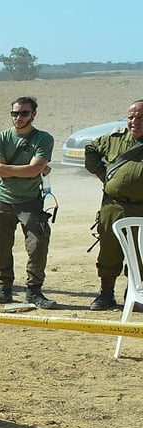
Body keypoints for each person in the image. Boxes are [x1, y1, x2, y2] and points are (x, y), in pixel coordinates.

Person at [0, 96, 56, 309]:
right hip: (2, 200)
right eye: (15, 113)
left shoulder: (43, 139)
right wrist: (30, 169)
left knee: (37, 245)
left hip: (30, 201)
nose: (18, 117)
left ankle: (34, 290)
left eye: (24, 113)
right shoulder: (0, 138)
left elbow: (32, 170)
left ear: (33, 114)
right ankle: (4, 288)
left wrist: (9, 169)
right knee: (1, 245)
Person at [84, 100, 143, 310]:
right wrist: (103, 174)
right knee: (109, 250)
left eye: (140, 118)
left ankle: (134, 293)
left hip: (141, 208)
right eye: (131, 117)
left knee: (140, 253)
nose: (134, 122)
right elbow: (90, 149)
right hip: (113, 206)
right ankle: (105, 295)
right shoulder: (115, 139)